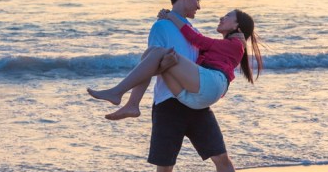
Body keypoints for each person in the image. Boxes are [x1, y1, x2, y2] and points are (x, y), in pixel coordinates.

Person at [94, 0, 259, 172]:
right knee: (164, 165)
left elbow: (206, 58)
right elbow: (151, 64)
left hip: (197, 105)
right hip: (168, 102)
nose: (199, 6)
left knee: (221, 158)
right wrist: (167, 60)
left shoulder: (193, 30)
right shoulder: (161, 27)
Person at [86, 6, 261, 113]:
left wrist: (171, 16)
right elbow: (196, 41)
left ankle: (117, 92)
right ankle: (132, 105)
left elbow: (197, 39)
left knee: (159, 52)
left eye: (228, 16)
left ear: (237, 26)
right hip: (193, 98)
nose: (222, 17)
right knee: (153, 54)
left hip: (210, 84)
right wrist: (171, 20)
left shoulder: (236, 45)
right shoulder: (227, 46)